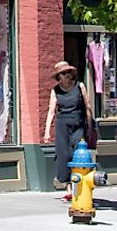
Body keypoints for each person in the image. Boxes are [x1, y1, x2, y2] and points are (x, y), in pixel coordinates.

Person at [48, 60, 90, 193]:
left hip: (78, 124)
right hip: (62, 125)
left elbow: (87, 106)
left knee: (78, 153)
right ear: (58, 77)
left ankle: (79, 185)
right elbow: (51, 110)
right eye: (63, 73)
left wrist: (90, 125)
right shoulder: (55, 91)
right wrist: (46, 131)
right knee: (64, 155)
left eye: (67, 72)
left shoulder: (80, 86)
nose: (66, 75)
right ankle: (69, 188)